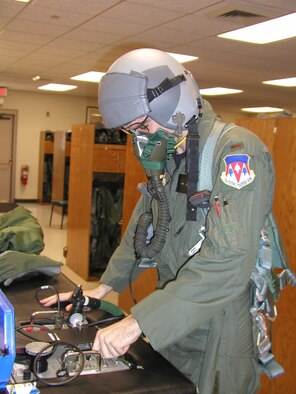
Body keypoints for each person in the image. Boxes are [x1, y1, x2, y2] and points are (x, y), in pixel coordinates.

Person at [41, 48, 278, 393]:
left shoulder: (237, 152)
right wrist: (104, 287)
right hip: (171, 317)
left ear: (173, 104)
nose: (141, 139)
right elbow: (146, 223)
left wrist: (139, 321)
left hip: (219, 327)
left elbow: (229, 262)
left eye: (141, 126)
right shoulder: (171, 151)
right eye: (131, 130)